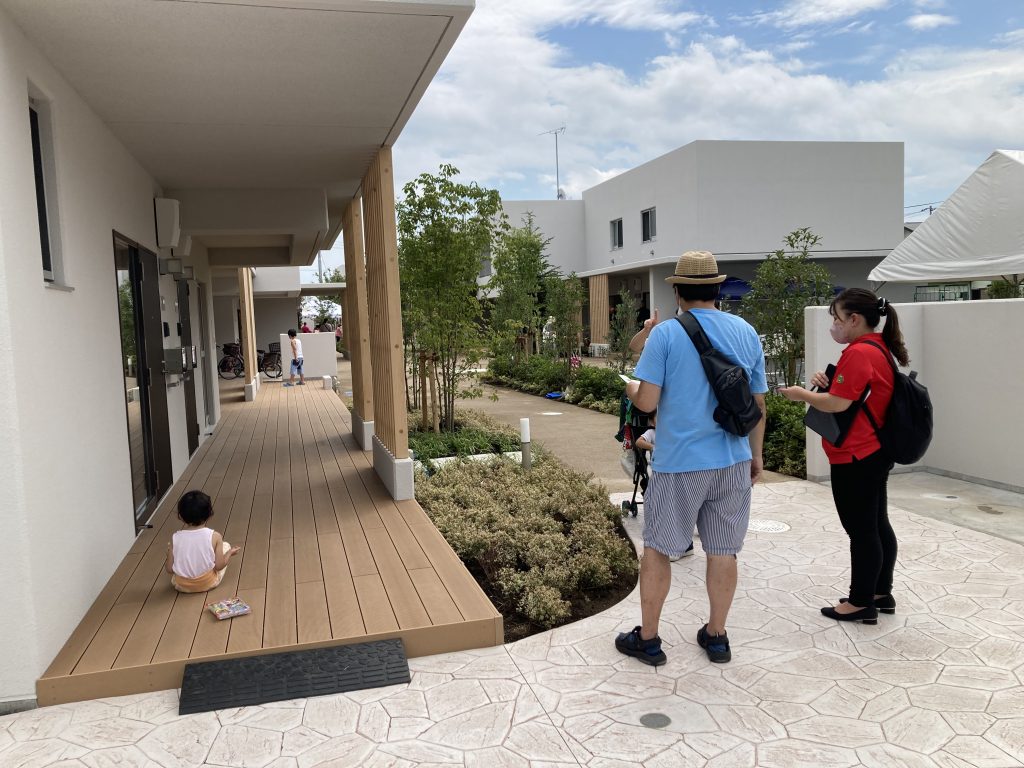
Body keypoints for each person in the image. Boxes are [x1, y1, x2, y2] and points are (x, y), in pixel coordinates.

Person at [615, 251, 767, 666]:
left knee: (658, 549)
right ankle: (716, 636)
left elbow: (647, 402)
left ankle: (648, 639)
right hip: (733, 460)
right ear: (717, 289)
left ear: (678, 292)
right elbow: (757, 404)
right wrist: (755, 455)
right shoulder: (746, 332)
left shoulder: (665, 335)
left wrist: (630, 388)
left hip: (680, 462)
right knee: (723, 550)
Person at [778, 288, 907, 624]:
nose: (833, 324)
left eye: (836, 318)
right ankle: (880, 592)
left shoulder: (859, 352)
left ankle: (860, 601)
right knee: (876, 524)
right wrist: (825, 383)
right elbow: (850, 393)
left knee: (861, 530)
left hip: (855, 456)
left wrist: (802, 394)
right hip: (873, 451)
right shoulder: (877, 348)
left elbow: (838, 403)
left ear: (854, 319)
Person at [164, 490, 240, 592]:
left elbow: (169, 569)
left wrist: (170, 554)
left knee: (174, 553)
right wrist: (229, 553)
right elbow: (219, 566)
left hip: (181, 586)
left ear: (181, 516)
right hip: (208, 583)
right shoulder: (215, 536)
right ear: (209, 514)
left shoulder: (175, 538)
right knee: (225, 546)